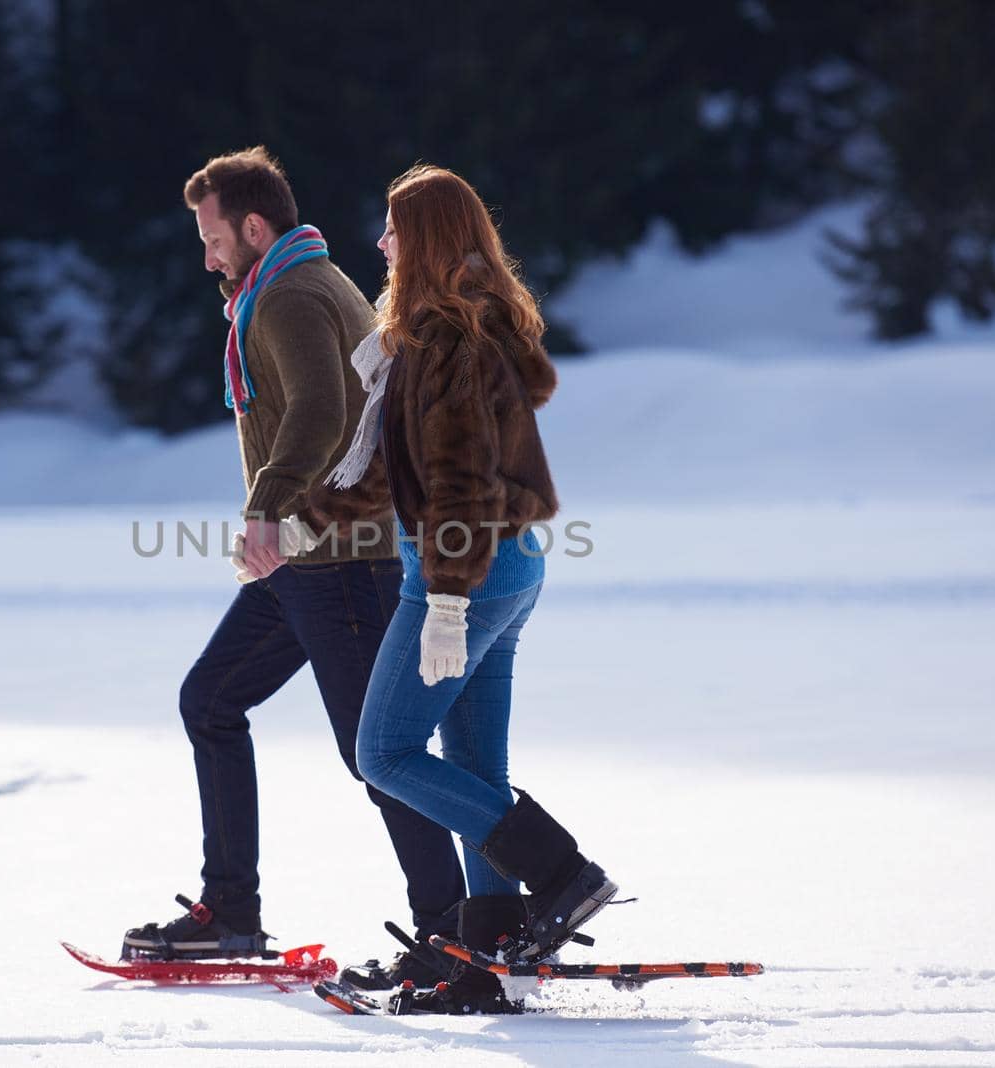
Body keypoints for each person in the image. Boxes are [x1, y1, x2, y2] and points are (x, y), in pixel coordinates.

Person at [122, 148, 465, 987]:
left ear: (252, 225)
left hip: (337, 558)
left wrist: (266, 506)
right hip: (310, 559)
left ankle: (453, 930)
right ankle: (231, 908)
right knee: (212, 699)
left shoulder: (288, 296)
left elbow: (322, 407)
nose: (206, 257)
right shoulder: (295, 283)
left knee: (376, 752)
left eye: (211, 238)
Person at [342, 165, 618, 1014]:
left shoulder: (450, 343)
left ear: (419, 240)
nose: (381, 244)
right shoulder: (440, 335)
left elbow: (460, 485)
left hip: (467, 573)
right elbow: (392, 468)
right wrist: (297, 521)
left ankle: (563, 876)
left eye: (392, 230)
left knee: (381, 753)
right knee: (473, 764)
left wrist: (448, 602)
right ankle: (491, 950)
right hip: (505, 569)